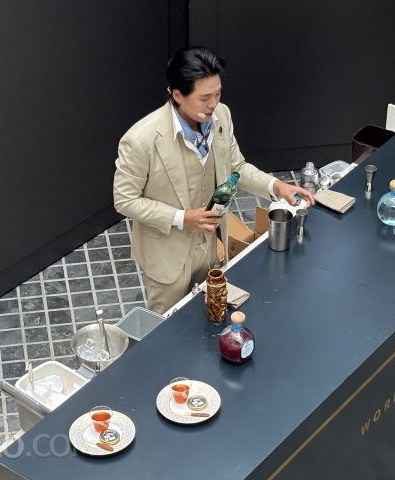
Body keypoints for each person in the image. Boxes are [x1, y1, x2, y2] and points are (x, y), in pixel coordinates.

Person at [113, 46, 315, 314]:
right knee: (165, 326)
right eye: (204, 97)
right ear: (178, 95)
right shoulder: (140, 140)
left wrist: (276, 186)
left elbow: (236, 167)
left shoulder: (222, 115)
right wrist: (183, 217)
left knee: (205, 313)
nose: (213, 104)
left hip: (209, 246)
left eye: (217, 93)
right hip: (167, 256)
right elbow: (124, 200)